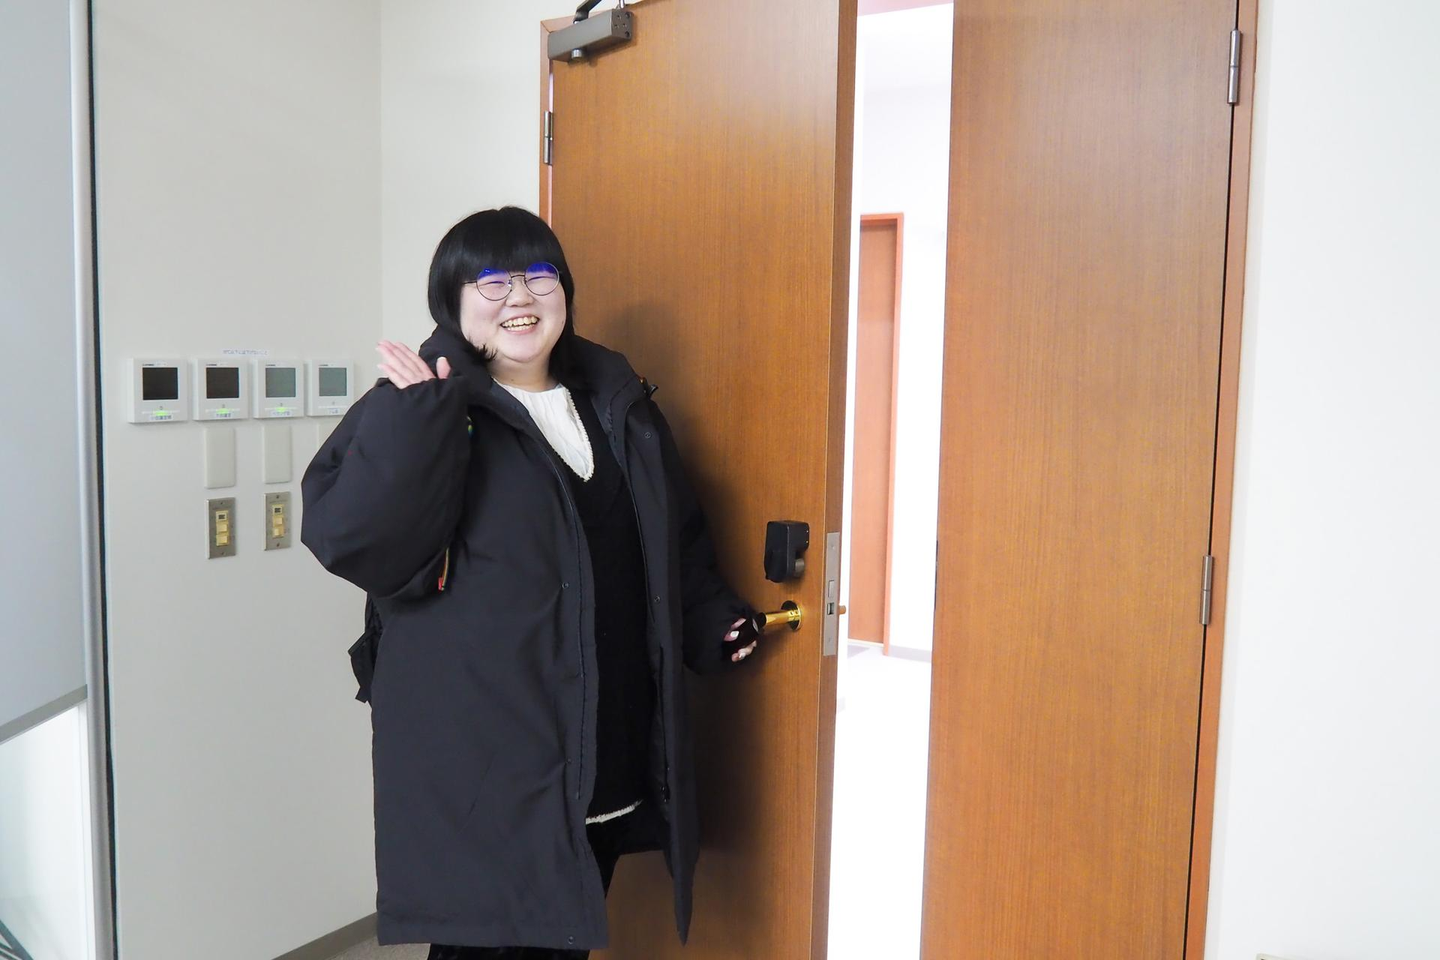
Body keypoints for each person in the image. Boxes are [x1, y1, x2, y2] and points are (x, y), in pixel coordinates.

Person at [300, 206, 763, 958]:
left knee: (564, 939)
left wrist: (710, 618)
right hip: (486, 755)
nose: (519, 296)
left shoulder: (618, 405)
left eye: (539, 276)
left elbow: (668, 538)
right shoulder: (418, 403)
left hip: (600, 737)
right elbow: (359, 542)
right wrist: (422, 420)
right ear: (451, 303)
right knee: (485, 946)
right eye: (491, 281)